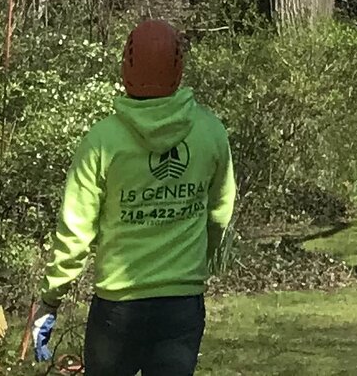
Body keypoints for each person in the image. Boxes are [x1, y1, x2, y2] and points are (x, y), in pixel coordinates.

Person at [37, 20, 236, 376]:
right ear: (178, 69)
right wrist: (198, 259)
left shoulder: (102, 140)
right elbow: (219, 213)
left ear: (126, 67)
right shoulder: (210, 132)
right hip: (181, 304)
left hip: (118, 308)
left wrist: (52, 296)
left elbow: (76, 229)